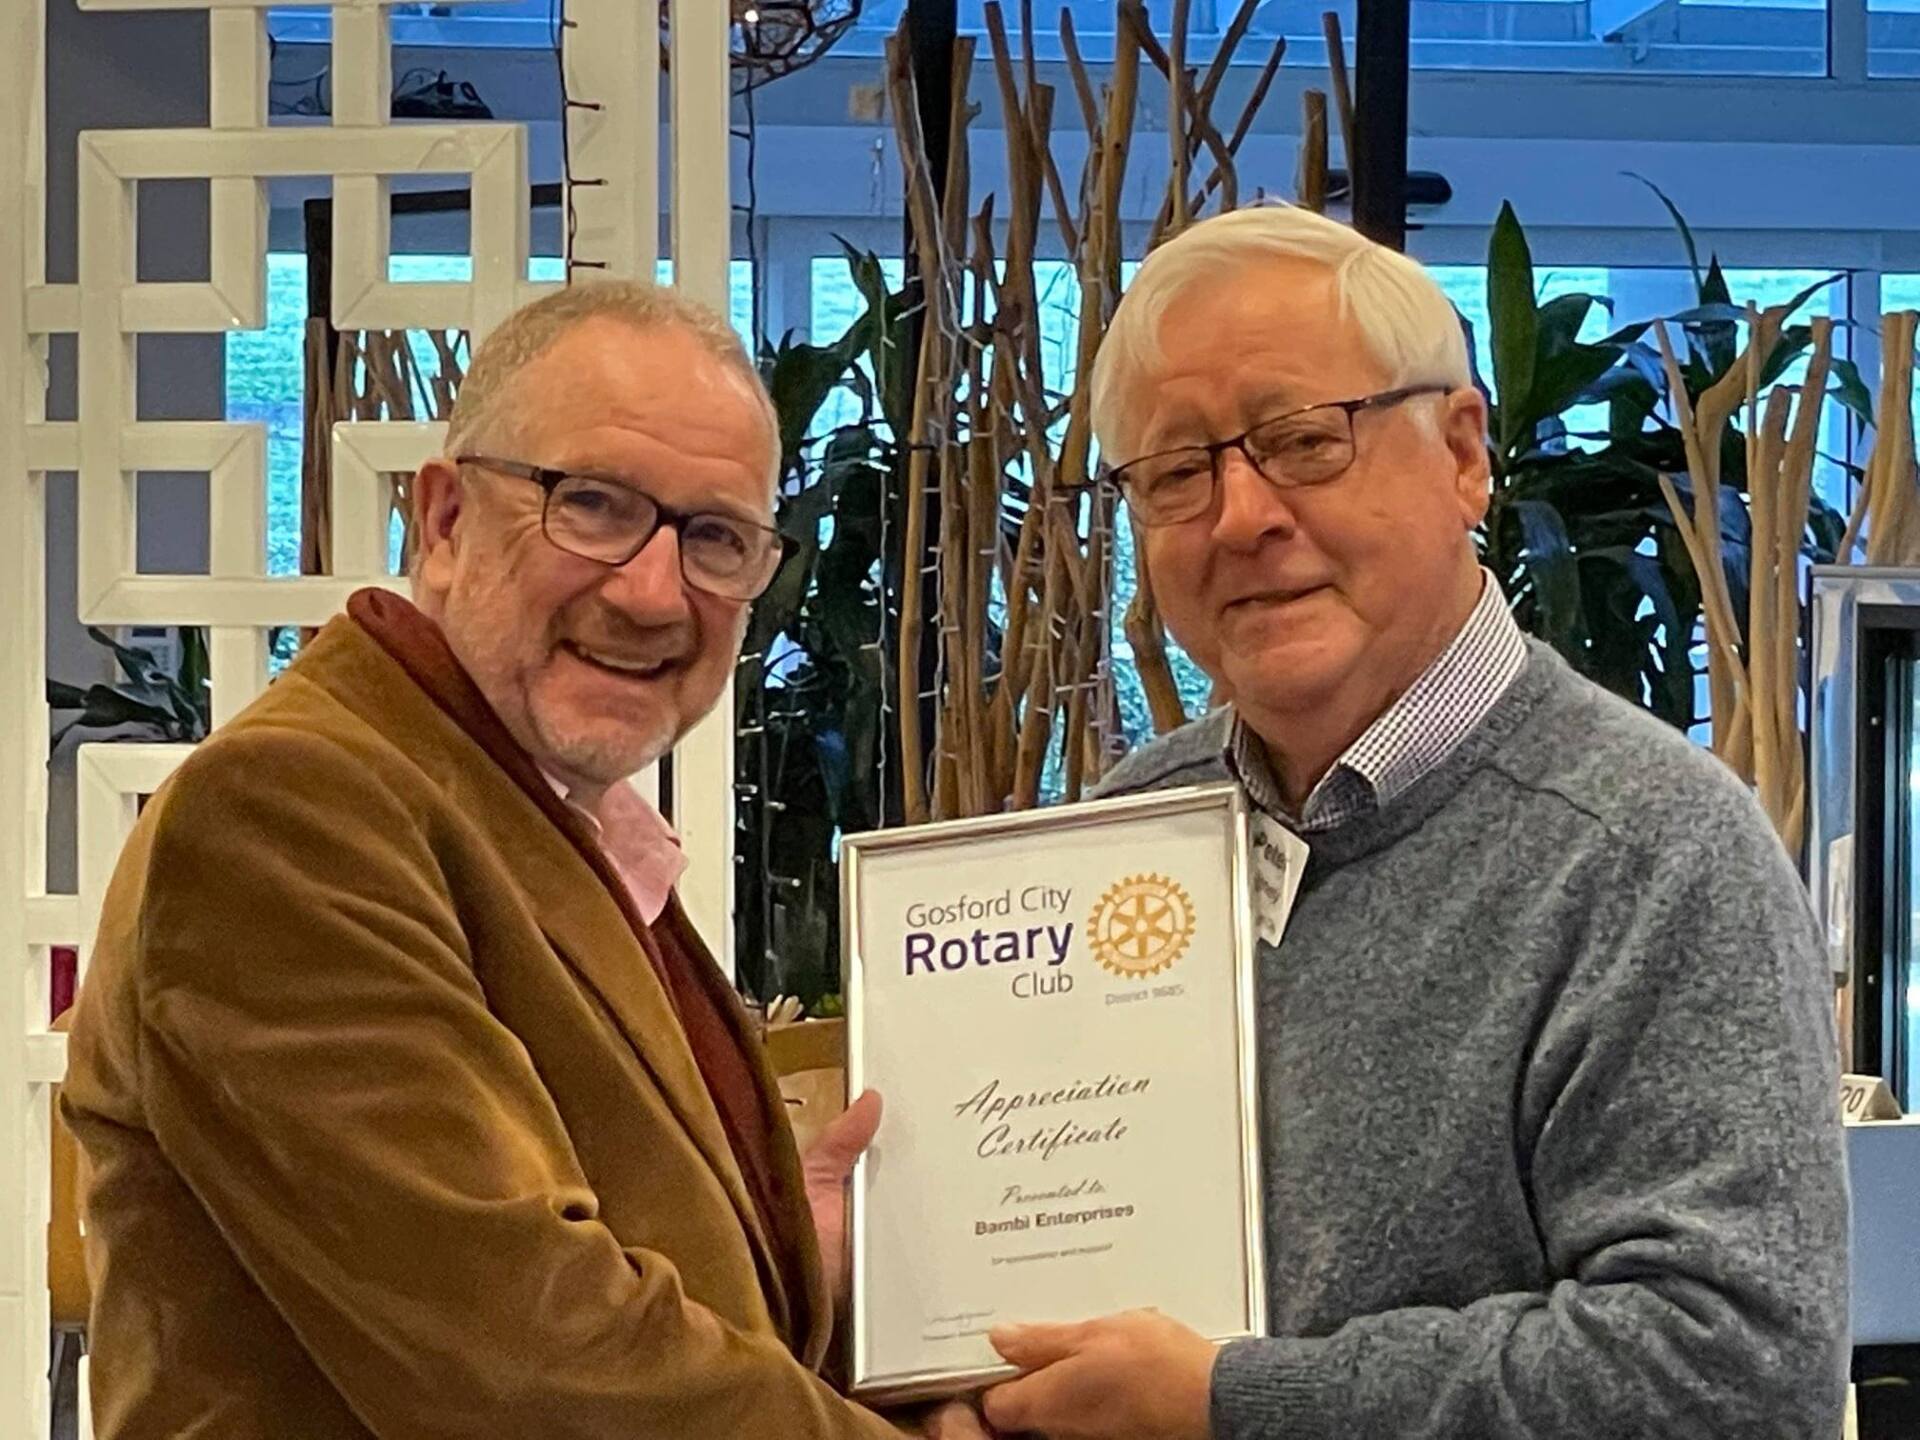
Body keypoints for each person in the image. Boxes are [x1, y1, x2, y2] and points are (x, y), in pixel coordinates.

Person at [980, 205, 1850, 1440]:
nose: (1241, 517)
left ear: (1461, 453)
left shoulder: (1654, 856)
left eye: (1301, 441)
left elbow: (1728, 1374)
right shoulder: (1125, 841)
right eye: (1177, 473)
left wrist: (1235, 1406)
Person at [62, 280, 982, 1440]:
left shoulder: (528, 815)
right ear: (442, 521)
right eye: (591, 505)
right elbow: (532, 1367)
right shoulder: (289, 812)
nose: (654, 594)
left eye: (715, 539)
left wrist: (786, 1241)